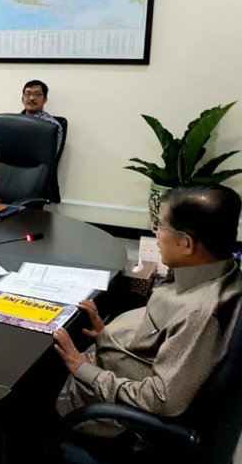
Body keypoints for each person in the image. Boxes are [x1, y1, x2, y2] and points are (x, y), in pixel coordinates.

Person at [53, 185, 242, 433]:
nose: (156, 235)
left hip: (114, 414)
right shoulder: (216, 270)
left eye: (160, 227)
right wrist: (108, 334)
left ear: (186, 244)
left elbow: (162, 400)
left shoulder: (201, 313)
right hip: (115, 362)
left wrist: (83, 369)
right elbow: (160, 334)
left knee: (30, 385)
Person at [20, 79, 63, 151]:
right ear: (22, 99)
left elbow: (51, 155)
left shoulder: (52, 125)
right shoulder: (13, 121)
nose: (32, 98)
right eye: (28, 94)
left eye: (38, 94)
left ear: (45, 99)